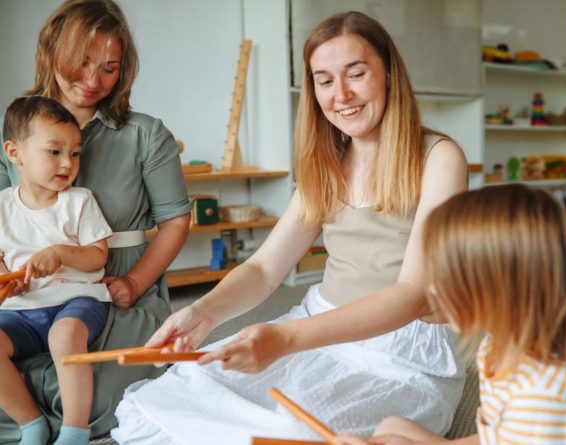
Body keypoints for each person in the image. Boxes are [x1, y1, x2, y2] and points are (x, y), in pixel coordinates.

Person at [112, 10, 468, 445]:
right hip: (318, 324)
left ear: (389, 75)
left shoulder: (440, 157)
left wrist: (284, 338)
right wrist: (202, 313)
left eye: (356, 74)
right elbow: (264, 270)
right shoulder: (326, 163)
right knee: (179, 393)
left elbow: (412, 296)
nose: (341, 94)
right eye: (324, 80)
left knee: (297, 432)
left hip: (400, 352)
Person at [0, 0, 192, 442]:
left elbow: (176, 221)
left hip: (114, 285)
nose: (92, 80)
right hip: (30, 289)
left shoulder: (145, 133)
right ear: (52, 52)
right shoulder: (17, 132)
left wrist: (137, 283)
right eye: (81, 62)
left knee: (106, 403)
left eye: (109, 67)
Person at [335, 185, 566, 445]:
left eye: (448, 277)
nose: (433, 288)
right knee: (392, 426)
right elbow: (499, 437)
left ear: (500, 288)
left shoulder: (541, 395)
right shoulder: (494, 350)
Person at [0, 96, 113, 445]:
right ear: (15, 153)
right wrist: (8, 283)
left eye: (75, 153)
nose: (68, 162)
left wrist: (60, 253)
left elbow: (98, 257)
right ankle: (31, 423)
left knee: (63, 337)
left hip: (77, 301)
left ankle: (75, 430)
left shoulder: (79, 201)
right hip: (21, 311)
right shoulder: (3, 206)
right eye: (54, 152)